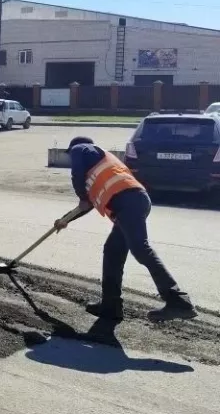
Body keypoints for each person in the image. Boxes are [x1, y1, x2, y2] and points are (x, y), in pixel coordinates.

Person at [55, 136, 197, 322]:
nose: (71, 159)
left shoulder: (81, 148)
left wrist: (81, 195)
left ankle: (178, 301)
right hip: (131, 204)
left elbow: (79, 182)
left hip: (129, 202)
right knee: (113, 252)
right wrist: (65, 219)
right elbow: (87, 204)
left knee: (140, 249)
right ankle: (111, 306)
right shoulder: (96, 168)